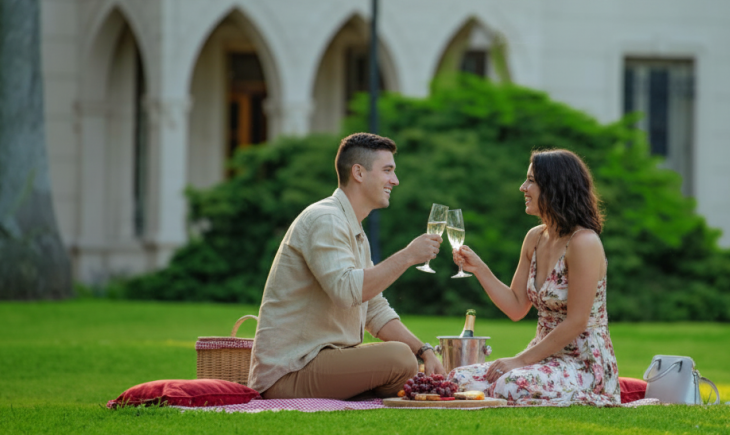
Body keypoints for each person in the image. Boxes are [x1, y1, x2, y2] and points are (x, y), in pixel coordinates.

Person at [247, 132, 445, 400]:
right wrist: (408, 256)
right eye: (387, 170)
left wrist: (424, 350)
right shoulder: (326, 219)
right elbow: (345, 291)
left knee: (407, 362)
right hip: (290, 371)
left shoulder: (352, 228)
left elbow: (374, 309)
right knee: (399, 358)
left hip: (321, 362)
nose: (395, 180)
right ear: (359, 173)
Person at [449, 148, 620, 406]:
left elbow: (576, 322)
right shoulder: (535, 237)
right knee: (457, 379)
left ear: (554, 187)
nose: (523, 187)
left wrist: (520, 361)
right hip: (542, 359)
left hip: (583, 363)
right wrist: (479, 269)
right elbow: (516, 307)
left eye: (531, 180)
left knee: (509, 384)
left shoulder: (584, 242)